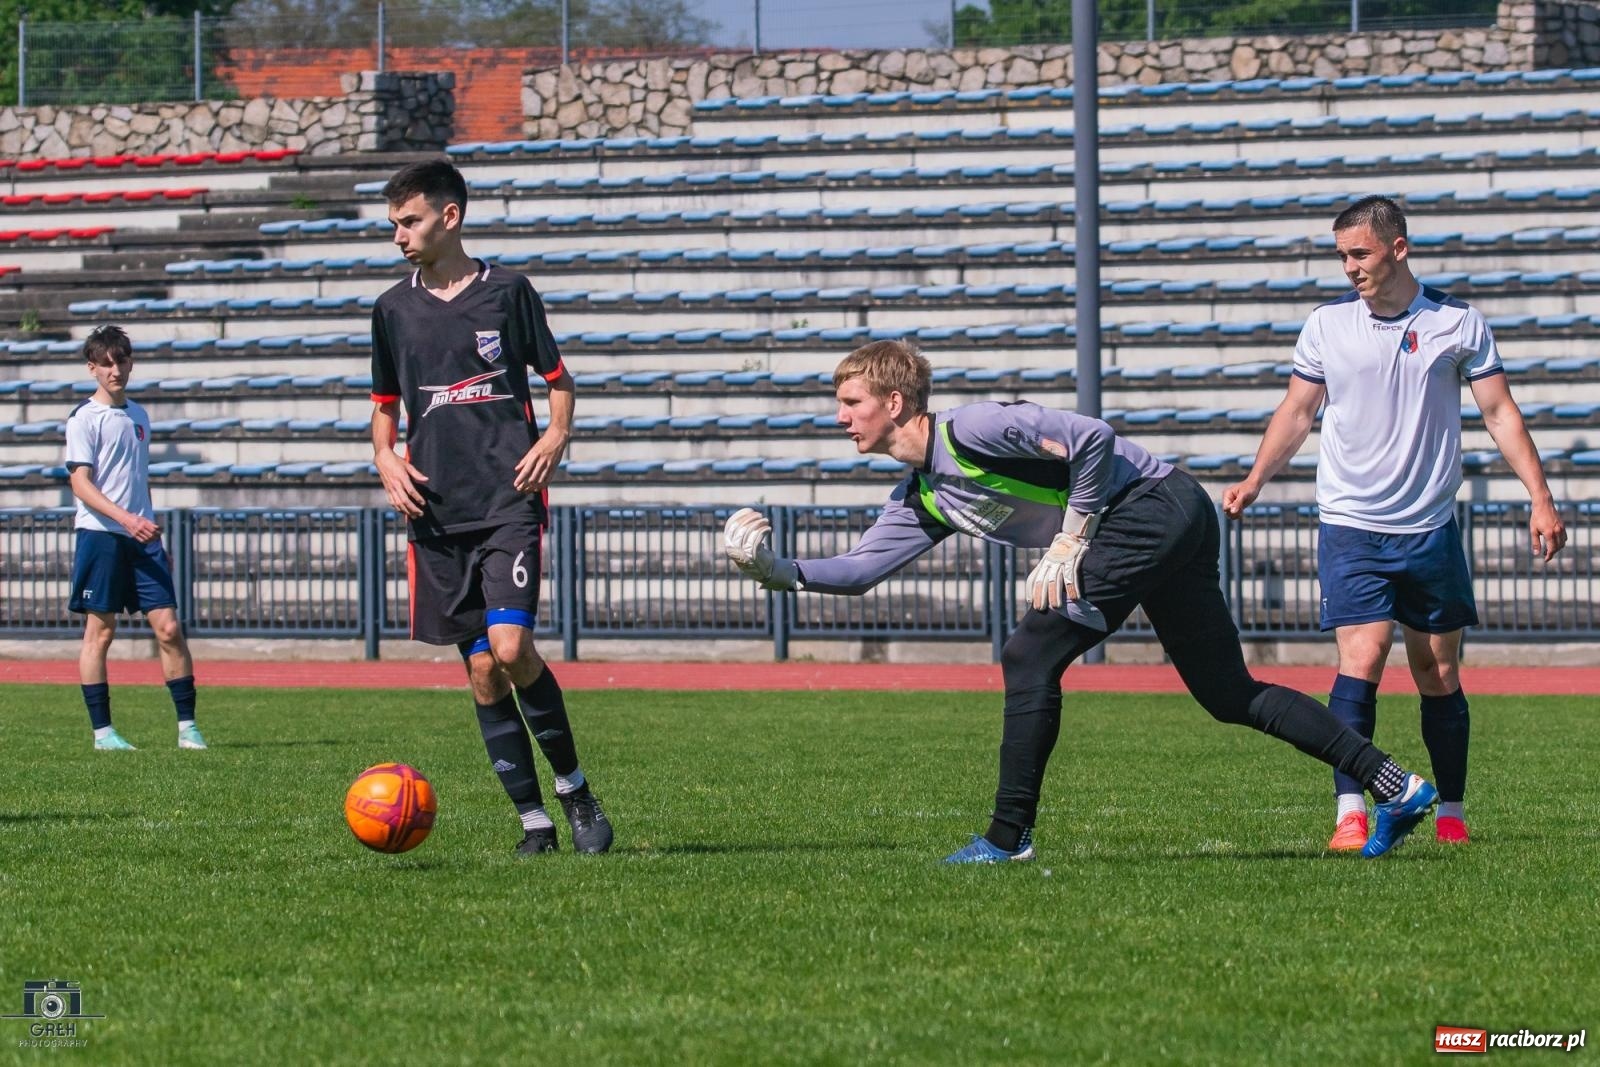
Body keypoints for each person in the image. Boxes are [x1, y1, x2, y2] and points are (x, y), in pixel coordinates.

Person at [723, 339, 1439, 863]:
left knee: (1028, 651)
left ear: (895, 401)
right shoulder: (924, 495)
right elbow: (857, 571)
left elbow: (1092, 438)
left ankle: (1006, 840)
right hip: (1170, 514)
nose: (842, 417)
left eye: (850, 403)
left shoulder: (968, 430)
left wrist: (1070, 538)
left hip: (1153, 506)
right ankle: (1396, 784)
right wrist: (777, 571)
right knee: (1228, 693)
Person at [1223, 195, 1567, 849]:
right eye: (1341, 255)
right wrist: (1254, 478)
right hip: (1350, 521)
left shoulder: (1457, 322)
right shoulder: (1326, 325)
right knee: (1363, 654)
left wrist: (1541, 497)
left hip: (1431, 526)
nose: (1348, 267)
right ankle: (1350, 810)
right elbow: (1297, 411)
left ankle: (1451, 813)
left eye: (1359, 253)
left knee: (1438, 671)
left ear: (1398, 248)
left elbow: (1500, 413)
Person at [369, 159, 611, 855]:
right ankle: (533, 820)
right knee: (479, 669)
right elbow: (383, 413)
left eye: (409, 221)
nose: (398, 236)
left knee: (510, 648)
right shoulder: (391, 310)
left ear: (451, 216)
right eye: (392, 225)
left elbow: (560, 381)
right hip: (437, 515)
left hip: (507, 501)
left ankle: (574, 787)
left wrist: (555, 437)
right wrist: (386, 459)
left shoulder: (508, 293)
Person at [65, 325, 206, 752]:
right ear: (92, 368)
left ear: (130, 362)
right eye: (106, 363)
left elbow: (136, 482)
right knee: (100, 633)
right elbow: (80, 484)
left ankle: (188, 729)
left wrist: (149, 529)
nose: (115, 370)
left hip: (141, 537)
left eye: (121, 360)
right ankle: (103, 734)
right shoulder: (83, 418)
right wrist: (127, 520)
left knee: (168, 629)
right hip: (102, 535)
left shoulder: (139, 416)